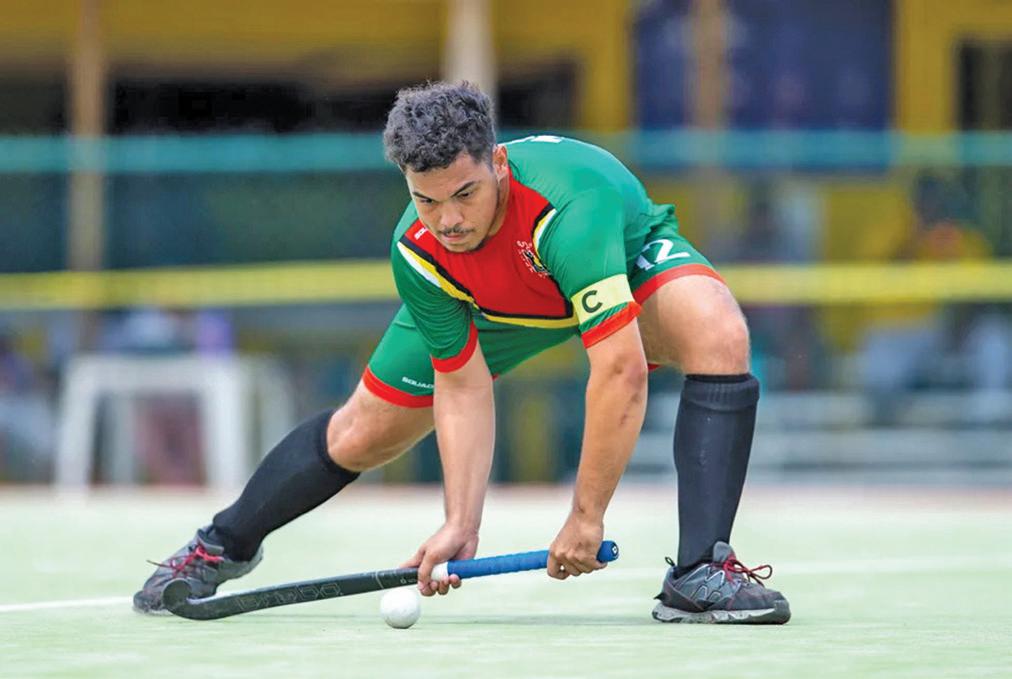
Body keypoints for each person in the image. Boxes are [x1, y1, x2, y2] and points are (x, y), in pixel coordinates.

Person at [134, 82, 790, 624]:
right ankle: (219, 545)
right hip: (492, 303)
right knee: (358, 431)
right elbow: (463, 384)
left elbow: (619, 371)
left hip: (617, 266)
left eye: (465, 194)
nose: (448, 220)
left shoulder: (568, 210)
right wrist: (460, 522)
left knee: (718, 331)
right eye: (426, 199)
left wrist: (585, 516)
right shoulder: (420, 251)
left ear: (497, 164)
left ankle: (699, 570)